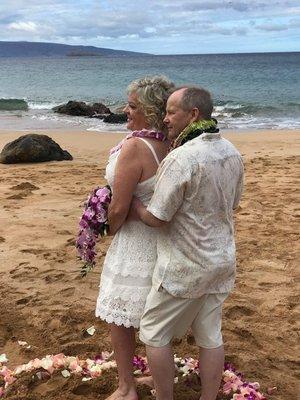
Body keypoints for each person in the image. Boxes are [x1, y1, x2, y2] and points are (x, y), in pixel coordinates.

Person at [132, 86, 244, 400]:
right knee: (210, 334)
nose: (165, 119)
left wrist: (134, 207)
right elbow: (233, 203)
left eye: (171, 111)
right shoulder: (231, 151)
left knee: (154, 332)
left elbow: (158, 217)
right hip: (221, 260)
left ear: (193, 114)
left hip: (185, 264)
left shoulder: (182, 158)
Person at [95, 76, 175, 400]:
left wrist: (103, 228)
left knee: (120, 316)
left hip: (133, 243)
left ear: (150, 111)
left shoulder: (134, 147)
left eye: (131, 106)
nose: (124, 111)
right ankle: (157, 382)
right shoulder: (170, 144)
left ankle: (127, 386)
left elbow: (119, 208)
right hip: (162, 243)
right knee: (152, 318)